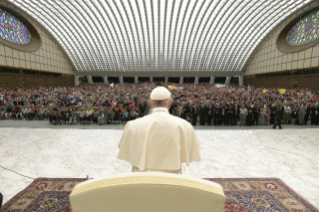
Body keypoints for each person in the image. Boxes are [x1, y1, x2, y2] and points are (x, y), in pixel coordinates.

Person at [118, 86, 201, 174]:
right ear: (170, 103)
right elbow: (192, 150)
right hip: (172, 178)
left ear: (150, 103)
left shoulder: (132, 125)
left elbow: (123, 146)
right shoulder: (184, 125)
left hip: (141, 177)